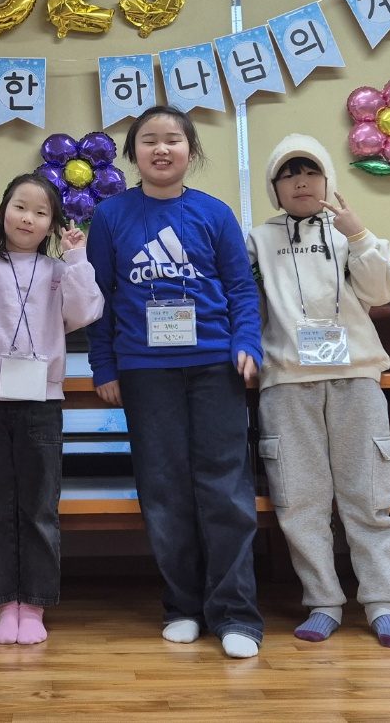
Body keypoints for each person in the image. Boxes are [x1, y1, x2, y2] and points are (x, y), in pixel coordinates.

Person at [85, 105, 265, 659]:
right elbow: (98, 298)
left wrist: (247, 343)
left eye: (173, 140)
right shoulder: (110, 216)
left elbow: (241, 289)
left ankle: (236, 614)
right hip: (144, 370)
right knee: (163, 490)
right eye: (148, 140)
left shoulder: (215, 213)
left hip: (215, 365)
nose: (161, 149)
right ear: (132, 153)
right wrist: (104, 366)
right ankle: (183, 607)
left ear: (191, 151)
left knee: (225, 489)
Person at [248, 133, 390, 648]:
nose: (301, 182)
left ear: (327, 180)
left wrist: (359, 234)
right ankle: (323, 601)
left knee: (369, 494)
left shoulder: (350, 233)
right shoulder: (257, 240)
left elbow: (382, 291)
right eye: (289, 174)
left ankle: (381, 602)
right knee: (300, 500)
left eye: (311, 172)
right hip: (287, 384)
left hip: (356, 379)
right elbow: (243, 303)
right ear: (274, 187)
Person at [0, 172, 104, 645]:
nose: (28, 218)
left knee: (39, 508)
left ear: (52, 224)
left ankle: (32, 605)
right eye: (19, 207)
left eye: (40, 212)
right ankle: (2, 603)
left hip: (41, 401)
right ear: (3, 212)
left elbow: (86, 311)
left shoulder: (57, 271)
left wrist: (77, 258)